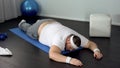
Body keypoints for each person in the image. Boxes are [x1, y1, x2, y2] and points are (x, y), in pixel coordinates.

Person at [18, 19, 103, 67]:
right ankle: (22, 23)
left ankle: (38, 21)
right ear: (68, 40)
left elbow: (90, 43)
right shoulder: (59, 39)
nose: (70, 50)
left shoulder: (77, 37)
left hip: (51, 21)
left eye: (72, 49)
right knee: (27, 29)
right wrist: (70, 60)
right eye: (70, 47)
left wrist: (96, 51)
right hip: (38, 29)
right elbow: (52, 55)